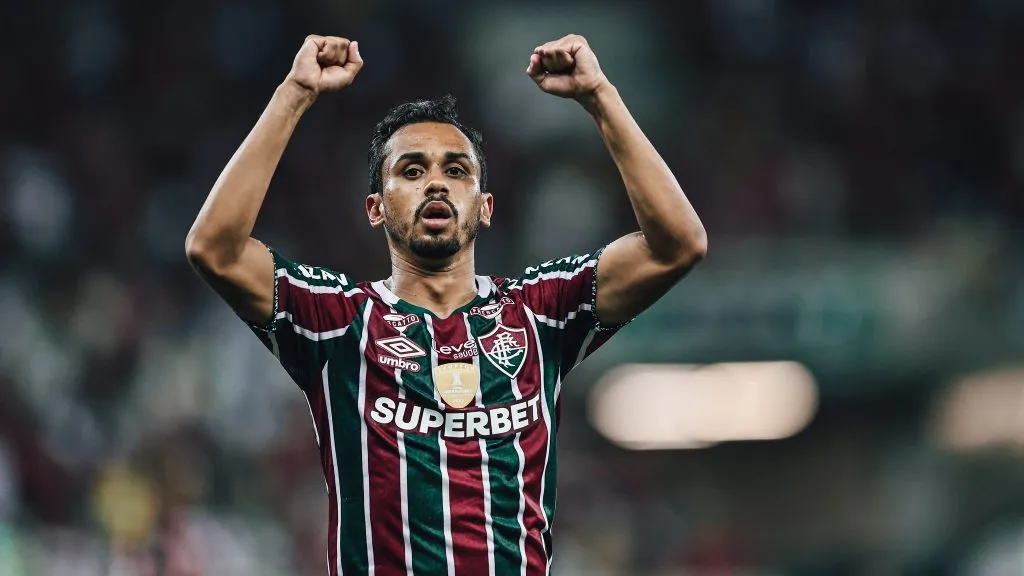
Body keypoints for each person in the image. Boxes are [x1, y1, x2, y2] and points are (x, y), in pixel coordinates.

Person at [186, 32, 706, 576]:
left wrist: (600, 96)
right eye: (411, 171)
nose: (435, 183)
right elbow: (214, 250)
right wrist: (293, 93)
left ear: (484, 207)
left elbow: (678, 245)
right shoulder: (338, 320)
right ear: (375, 208)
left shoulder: (539, 312)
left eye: (456, 170)